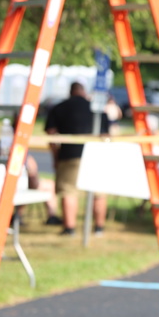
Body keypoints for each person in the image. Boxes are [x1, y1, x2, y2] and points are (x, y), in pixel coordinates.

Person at [44, 82, 113, 236]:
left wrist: (55, 156)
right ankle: (99, 228)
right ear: (84, 92)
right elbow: (106, 135)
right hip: (96, 156)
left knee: (69, 191)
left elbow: (51, 134)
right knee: (99, 193)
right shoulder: (97, 109)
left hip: (70, 155)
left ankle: (70, 228)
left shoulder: (59, 107)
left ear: (70, 92)